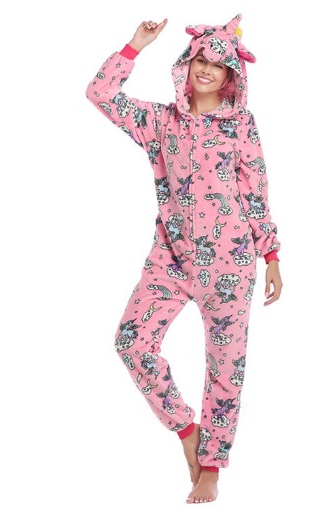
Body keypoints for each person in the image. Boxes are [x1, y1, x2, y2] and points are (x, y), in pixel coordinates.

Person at [86, 14, 282, 504]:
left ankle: (212, 467)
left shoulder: (240, 124)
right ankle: (188, 432)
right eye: (200, 60)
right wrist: (135, 45)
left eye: (218, 64)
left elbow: (255, 188)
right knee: (131, 342)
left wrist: (271, 254)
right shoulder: (159, 122)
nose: (207, 69)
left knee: (225, 367)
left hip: (230, 262)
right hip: (169, 260)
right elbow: (100, 94)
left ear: (231, 75)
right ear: (186, 64)